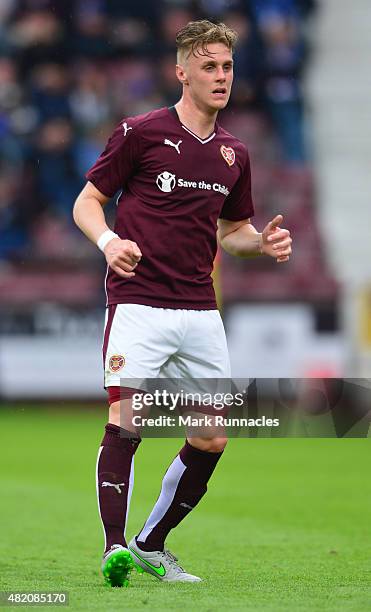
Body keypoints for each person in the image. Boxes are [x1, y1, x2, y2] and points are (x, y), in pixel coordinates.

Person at [73, 19, 292, 587]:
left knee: (212, 436)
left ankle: (151, 543)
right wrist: (109, 240)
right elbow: (88, 201)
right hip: (138, 303)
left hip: (200, 309)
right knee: (125, 424)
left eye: (227, 67)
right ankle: (114, 548)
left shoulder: (233, 153)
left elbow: (233, 231)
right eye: (210, 66)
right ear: (182, 72)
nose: (221, 77)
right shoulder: (140, 132)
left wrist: (261, 244)